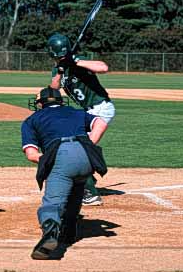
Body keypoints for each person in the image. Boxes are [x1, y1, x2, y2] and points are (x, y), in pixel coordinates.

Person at [21, 87, 108, 260]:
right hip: (87, 156)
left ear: (40, 103)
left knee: (52, 203)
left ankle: (50, 233)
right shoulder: (75, 112)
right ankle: (68, 231)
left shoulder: (31, 120)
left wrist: (49, 160)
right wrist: (89, 144)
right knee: (76, 189)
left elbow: (32, 154)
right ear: (60, 101)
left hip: (61, 154)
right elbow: (101, 122)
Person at [48, 33, 115, 206]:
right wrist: (61, 69)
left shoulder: (78, 60)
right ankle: (87, 178)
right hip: (88, 111)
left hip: (101, 108)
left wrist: (74, 62)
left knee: (81, 149)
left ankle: (90, 193)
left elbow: (103, 67)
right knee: (76, 146)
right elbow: (53, 89)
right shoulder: (59, 67)